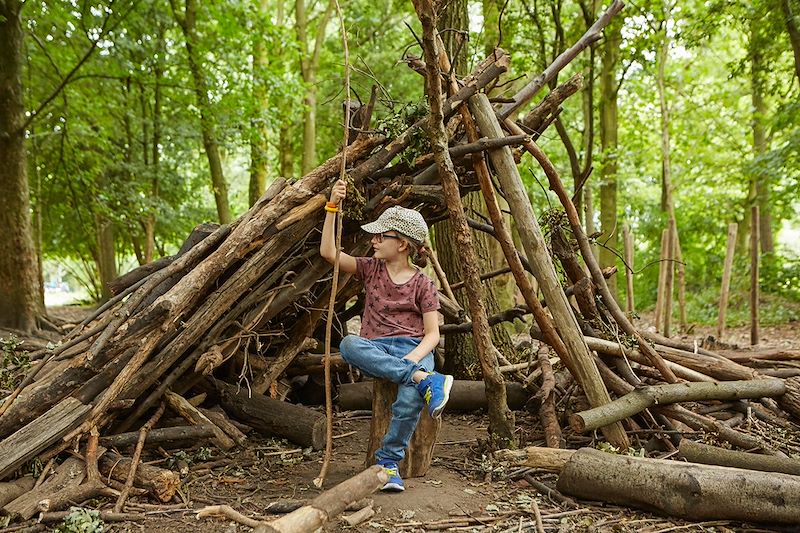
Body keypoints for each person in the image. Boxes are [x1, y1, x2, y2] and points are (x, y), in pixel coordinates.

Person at [320, 179, 453, 492]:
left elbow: (433, 335)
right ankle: (425, 380)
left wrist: (411, 360)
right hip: (376, 350)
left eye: (382, 236)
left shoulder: (423, 284)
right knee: (349, 344)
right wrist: (332, 206)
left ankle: (388, 463)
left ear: (403, 244)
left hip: (415, 349)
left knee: (409, 398)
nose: (374, 240)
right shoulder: (370, 269)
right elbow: (328, 252)